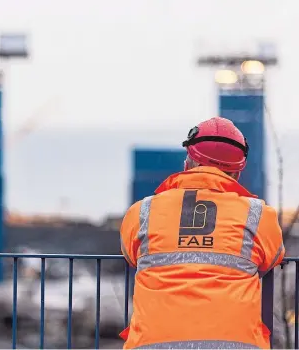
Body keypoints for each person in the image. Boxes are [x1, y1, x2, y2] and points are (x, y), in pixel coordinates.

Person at [119, 116, 285, 349]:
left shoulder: (142, 211)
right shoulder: (258, 215)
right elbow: (272, 258)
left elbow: (131, 255)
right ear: (237, 173)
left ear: (187, 163)